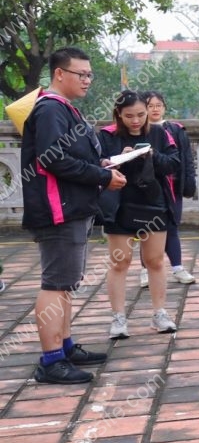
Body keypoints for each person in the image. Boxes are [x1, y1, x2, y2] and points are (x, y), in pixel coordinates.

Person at [21, 47, 125, 384]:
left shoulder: (64, 109)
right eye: (81, 74)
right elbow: (52, 159)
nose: (87, 80)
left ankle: (64, 347)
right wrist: (102, 176)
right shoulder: (50, 109)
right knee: (56, 284)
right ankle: (51, 361)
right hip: (57, 209)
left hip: (71, 207)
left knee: (66, 283)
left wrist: (101, 165)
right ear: (59, 74)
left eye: (90, 74)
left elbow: (69, 155)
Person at [98, 91, 182, 338]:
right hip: (120, 203)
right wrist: (117, 160)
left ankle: (159, 313)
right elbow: (96, 164)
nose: (135, 120)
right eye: (129, 116)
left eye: (140, 115)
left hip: (153, 203)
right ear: (118, 115)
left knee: (155, 261)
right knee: (120, 262)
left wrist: (152, 155)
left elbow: (174, 163)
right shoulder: (106, 135)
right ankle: (118, 318)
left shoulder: (158, 133)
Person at [138, 90, 198, 287]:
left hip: (172, 187)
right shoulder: (139, 130)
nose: (155, 109)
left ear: (164, 107)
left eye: (158, 105)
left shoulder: (176, 129)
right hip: (148, 188)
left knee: (172, 227)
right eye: (150, 106)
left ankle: (178, 268)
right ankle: (146, 269)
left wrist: (189, 184)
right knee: (146, 229)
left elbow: (186, 159)